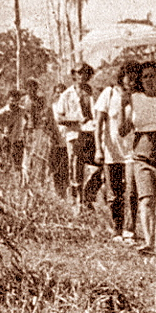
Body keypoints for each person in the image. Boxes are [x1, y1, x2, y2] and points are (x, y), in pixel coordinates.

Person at [126, 60, 156, 257]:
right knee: (146, 199)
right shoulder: (133, 99)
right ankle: (148, 243)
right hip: (142, 152)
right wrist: (123, 107)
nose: (149, 80)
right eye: (145, 77)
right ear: (140, 80)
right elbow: (123, 130)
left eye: (153, 75)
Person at [94, 62, 140, 241]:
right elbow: (98, 124)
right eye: (128, 76)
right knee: (114, 193)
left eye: (135, 77)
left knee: (131, 192)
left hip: (131, 150)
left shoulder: (138, 96)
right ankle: (117, 228)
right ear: (122, 77)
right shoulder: (109, 93)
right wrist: (98, 149)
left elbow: (127, 127)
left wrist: (128, 103)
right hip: (112, 151)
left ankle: (130, 228)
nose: (131, 80)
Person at [53, 63, 99, 212]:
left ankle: (89, 193)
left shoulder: (94, 92)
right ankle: (77, 202)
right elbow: (59, 118)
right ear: (74, 75)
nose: (82, 76)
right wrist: (77, 120)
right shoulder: (67, 94)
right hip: (75, 135)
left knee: (103, 164)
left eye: (85, 73)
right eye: (79, 73)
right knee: (75, 168)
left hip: (92, 133)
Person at [0, 89, 26, 177]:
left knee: (18, 164)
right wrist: (0, 134)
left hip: (19, 140)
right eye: (12, 100)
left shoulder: (22, 110)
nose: (14, 103)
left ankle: (18, 184)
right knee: (6, 161)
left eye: (16, 100)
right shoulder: (3, 112)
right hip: (7, 140)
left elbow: (28, 120)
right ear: (8, 99)